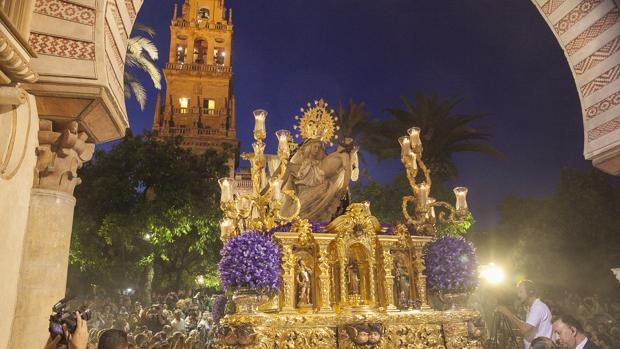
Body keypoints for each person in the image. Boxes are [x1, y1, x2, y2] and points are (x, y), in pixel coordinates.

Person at [496, 280, 553, 349]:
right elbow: (527, 332)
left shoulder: (538, 307)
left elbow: (524, 329)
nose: (518, 295)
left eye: (520, 291)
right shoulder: (531, 308)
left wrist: (507, 313)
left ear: (530, 292)